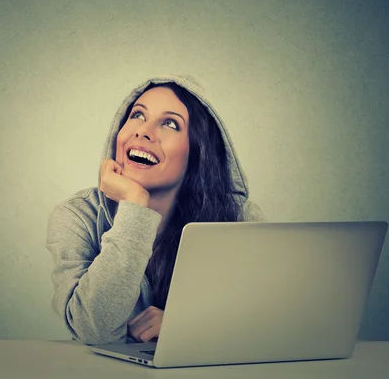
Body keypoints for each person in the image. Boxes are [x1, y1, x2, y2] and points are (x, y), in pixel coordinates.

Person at [45, 75, 266, 345]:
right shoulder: (77, 216)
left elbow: (266, 322)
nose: (143, 131)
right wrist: (135, 206)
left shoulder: (238, 220)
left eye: (170, 123)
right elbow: (93, 330)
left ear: (197, 151)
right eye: (137, 115)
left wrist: (184, 325)